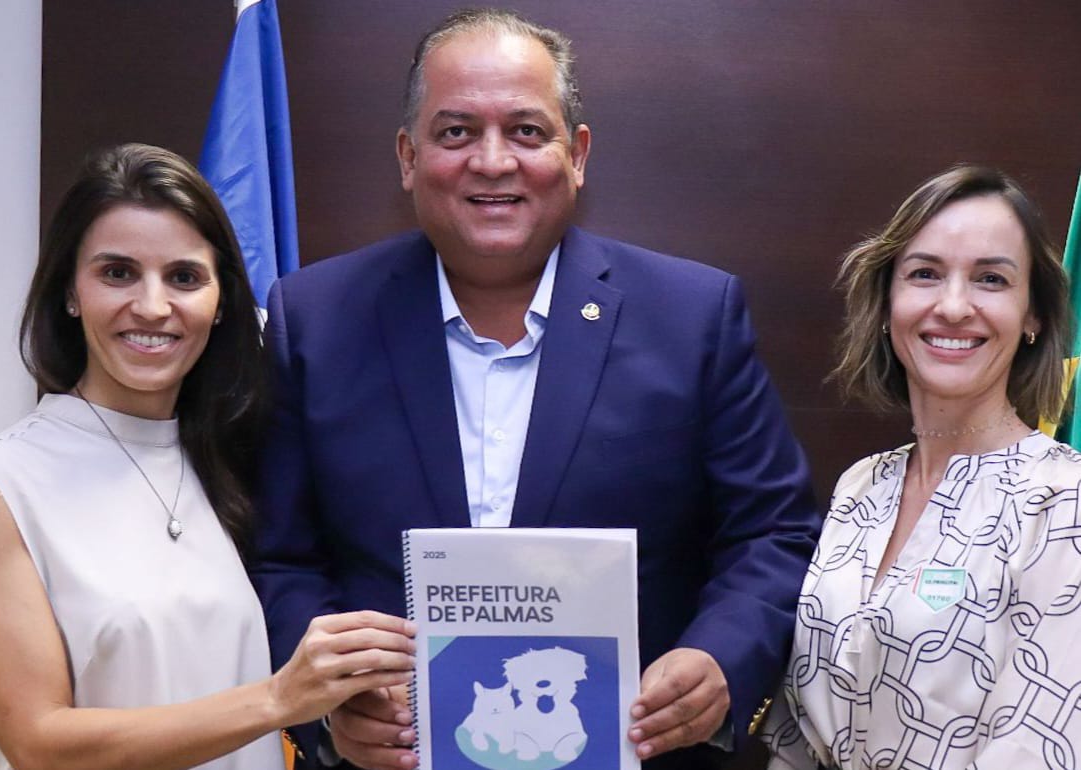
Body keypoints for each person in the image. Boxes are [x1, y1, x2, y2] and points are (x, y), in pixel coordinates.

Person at [252, 9, 821, 770]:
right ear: (408, 157)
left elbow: (772, 535)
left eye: (526, 131)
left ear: (577, 155)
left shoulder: (693, 318)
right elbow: (282, 558)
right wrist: (327, 710)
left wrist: (719, 661)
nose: (493, 162)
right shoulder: (313, 321)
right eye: (456, 132)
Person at [0, 143, 416, 770]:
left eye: (183, 277)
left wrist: (347, 711)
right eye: (117, 272)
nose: (152, 306)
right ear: (70, 291)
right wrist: (280, 698)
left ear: (222, 300)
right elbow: (40, 744)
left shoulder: (242, 464)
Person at [762, 165, 1079, 769]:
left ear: (1034, 315)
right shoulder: (862, 486)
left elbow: (1037, 750)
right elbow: (798, 732)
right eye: (925, 274)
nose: (954, 306)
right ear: (888, 302)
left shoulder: (1065, 503)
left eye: (990, 279)